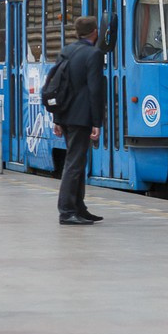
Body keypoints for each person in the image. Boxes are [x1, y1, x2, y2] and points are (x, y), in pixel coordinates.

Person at [53, 15, 105, 226]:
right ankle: (66, 211)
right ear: (94, 32)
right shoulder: (93, 54)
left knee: (77, 162)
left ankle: (79, 208)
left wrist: (57, 118)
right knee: (74, 163)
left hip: (65, 115)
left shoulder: (66, 51)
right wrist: (97, 122)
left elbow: (57, 85)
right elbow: (95, 90)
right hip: (81, 117)